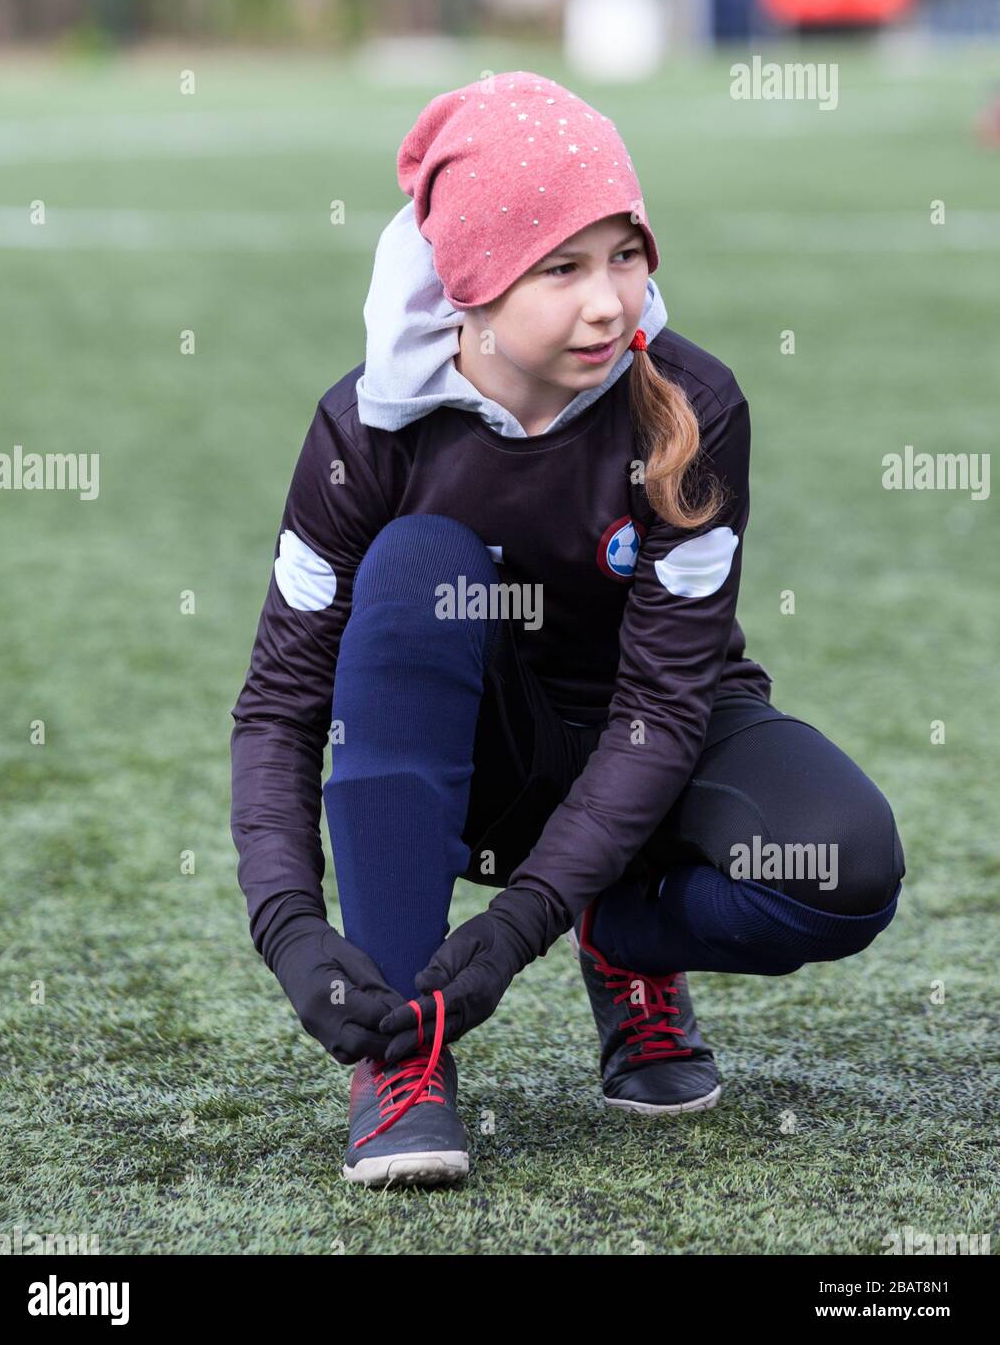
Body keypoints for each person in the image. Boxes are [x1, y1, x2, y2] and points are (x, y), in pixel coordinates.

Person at [229, 71, 905, 1190]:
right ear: (472, 288)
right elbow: (280, 704)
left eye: (625, 254)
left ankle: (623, 938)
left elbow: (662, 707)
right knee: (417, 563)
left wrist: (525, 927)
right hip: (477, 770)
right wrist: (290, 925)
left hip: (656, 740)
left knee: (844, 871)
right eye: (562, 267)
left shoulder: (695, 406)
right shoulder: (363, 433)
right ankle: (405, 1053)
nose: (612, 302)